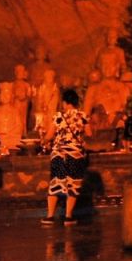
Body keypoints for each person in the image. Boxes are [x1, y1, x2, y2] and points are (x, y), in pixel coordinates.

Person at [41, 88, 90, 225]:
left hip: (58, 155)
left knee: (56, 183)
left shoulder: (58, 116)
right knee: (73, 184)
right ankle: (68, 217)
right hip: (75, 155)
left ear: (65, 102)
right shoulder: (82, 116)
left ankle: (50, 216)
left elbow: (49, 136)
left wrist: (44, 140)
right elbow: (90, 133)